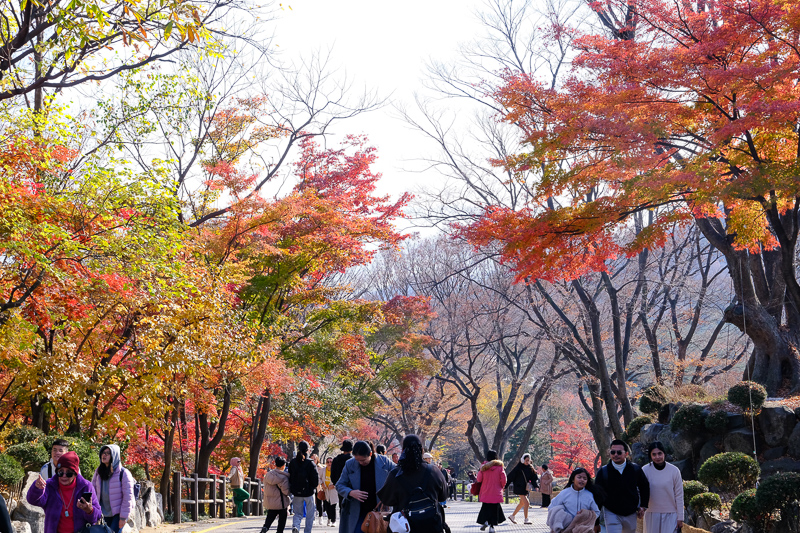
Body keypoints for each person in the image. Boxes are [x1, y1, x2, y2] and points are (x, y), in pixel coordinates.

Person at [377, 434, 448, 533]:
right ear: (422, 450)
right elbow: (443, 496)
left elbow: (387, 499)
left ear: (403, 451)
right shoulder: (433, 471)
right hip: (432, 525)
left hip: (404, 526)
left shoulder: (395, 474)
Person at [27, 451, 102, 533]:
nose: (64, 476)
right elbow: (33, 500)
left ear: (75, 474)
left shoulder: (86, 486)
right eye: (61, 472)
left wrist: (89, 510)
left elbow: (97, 516)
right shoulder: (50, 485)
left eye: (69, 473)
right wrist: (37, 488)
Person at [335, 440, 394, 533]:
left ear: (370, 453)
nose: (360, 462)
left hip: (380, 511)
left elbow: (398, 477)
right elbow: (339, 485)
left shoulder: (385, 462)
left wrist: (388, 495)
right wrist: (350, 492)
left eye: (363, 460)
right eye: (357, 460)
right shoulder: (350, 464)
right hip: (357, 511)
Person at [594, 440, 650, 533]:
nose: (615, 454)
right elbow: (597, 497)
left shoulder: (635, 469)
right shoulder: (603, 472)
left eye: (619, 452)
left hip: (631, 512)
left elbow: (644, 486)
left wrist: (643, 506)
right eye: (613, 452)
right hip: (611, 512)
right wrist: (596, 521)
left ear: (626, 454)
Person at [91, 445, 135, 533]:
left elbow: (128, 497)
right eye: (103, 453)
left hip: (117, 514)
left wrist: (123, 517)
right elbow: (92, 492)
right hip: (102, 513)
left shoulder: (123, 473)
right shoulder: (98, 472)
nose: (104, 455)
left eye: (108, 453)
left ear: (114, 456)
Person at [642, 442, 684, 533]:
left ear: (664, 453)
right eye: (654, 454)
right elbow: (640, 491)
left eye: (659, 453)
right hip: (651, 514)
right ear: (650, 455)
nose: (657, 457)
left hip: (671, 514)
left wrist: (680, 517)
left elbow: (679, 495)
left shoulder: (674, 471)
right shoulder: (645, 470)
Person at [546, 468, 601, 533]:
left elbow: (596, 512)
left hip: (582, 529)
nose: (582, 480)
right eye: (579, 477)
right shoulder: (564, 493)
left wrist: (586, 514)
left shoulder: (589, 495)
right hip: (565, 529)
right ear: (573, 479)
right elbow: (552, 507)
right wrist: (564, 516)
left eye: (584, 478)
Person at [289, 441, 319, 533]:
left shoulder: (293, 462)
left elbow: (290, 476)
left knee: (297, 513)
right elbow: (315, 478)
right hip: (309, 493)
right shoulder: (310, 463)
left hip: (297, 492)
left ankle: (296, 526)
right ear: (308, 450)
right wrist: (313, 487)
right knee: (310, 515)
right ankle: (307, 531)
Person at [475, 450, 506, 533]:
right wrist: (502, 487)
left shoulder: (483, 467)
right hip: (496, 492)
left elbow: (479, 479)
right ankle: (492, 527)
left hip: (486, 491)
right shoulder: (500, 467)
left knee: (485, 507)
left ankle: (485, 521)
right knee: (494, 510)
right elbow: (504, 479)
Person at [507, 453, 539, 524]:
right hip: (519, 487)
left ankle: (512, 516)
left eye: (528, 460)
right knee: (527, 503)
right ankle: (526, 519)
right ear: (522, 460)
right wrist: (505, 486)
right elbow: (510, 477)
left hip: (525, 488)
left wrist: (536, 486)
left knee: (522, 503)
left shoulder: (530, 468)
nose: (527, 462)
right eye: (526, 460)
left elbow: (533, 478)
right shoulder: (518, 467)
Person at [261, 457, 290, 533]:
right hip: (281, 502)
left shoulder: (268, 475)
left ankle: (265, 527)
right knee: (282, 519)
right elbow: (286, 491)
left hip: (270, 502)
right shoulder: (283, 477)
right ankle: (279, 532)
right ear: (283, 466)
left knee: (270, 517)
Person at [318, 456, 339, 527]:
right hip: (325, 490)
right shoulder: (323, 470)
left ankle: (333, 521)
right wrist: (322, 484)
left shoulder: (336, 470)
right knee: (327, 506)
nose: (329, 463)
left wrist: (334, 485)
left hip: (333, 490)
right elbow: (318, 477)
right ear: (326, 463)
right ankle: (329, 519)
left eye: (331, 462)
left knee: (333, 506)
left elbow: (339, 480)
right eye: (328, 462)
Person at [310, 454, 324, 526]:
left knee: (319, 503)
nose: (314, 460)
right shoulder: (308, 466)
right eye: (312, 459)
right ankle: (313, 518)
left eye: (315, 459)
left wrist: (321, 483)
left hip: (318, 487)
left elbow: (322, 478)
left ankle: (320, 517)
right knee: (312, 504)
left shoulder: (320, 468)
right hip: (311, 487)